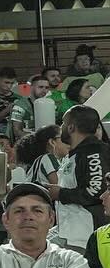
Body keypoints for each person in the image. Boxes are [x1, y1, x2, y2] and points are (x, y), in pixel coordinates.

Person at [51, 104, 110, 254]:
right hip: (73, 233)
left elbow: (97, 190)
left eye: (63, 123)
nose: (61, 127)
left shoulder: (93, 152)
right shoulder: (78, 153)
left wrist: (60, 194)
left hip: (87, 235)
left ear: (71, 127)